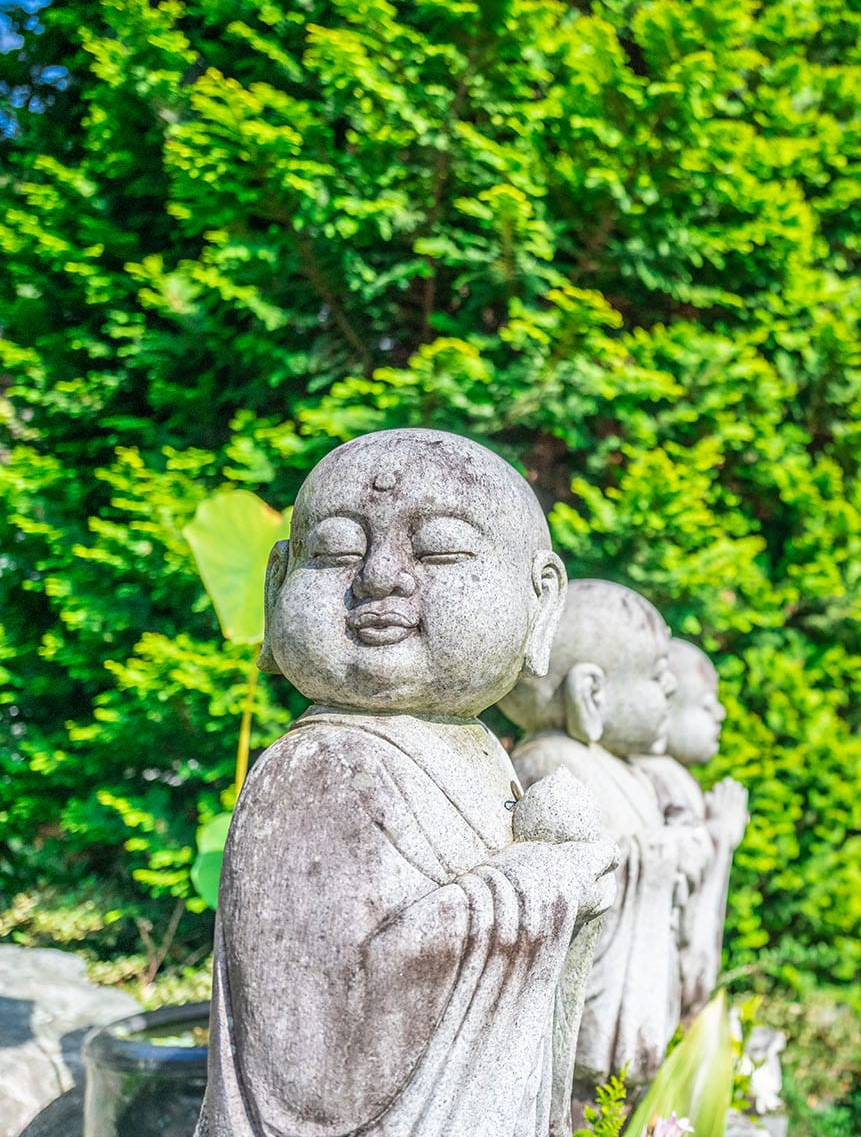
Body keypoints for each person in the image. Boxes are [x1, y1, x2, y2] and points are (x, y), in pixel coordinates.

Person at [198, 429, 618, 1137]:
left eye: (440, 550)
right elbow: (318, 1068)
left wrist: (570, 885)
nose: (381, 576)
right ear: (277, 587)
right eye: (334, 552)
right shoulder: (318, 770)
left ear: (540, 600)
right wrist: (540, 876)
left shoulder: (471, 747)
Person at [503, 581, 705, 1086]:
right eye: (657, 675)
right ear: (589, 694)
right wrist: (661, 857)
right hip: (578, 1046)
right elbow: (589, 885)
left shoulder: (620, 769)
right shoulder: (552, 764)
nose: (671, 690)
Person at [631, 639, 748, 1015]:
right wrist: (720, 835)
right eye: (706, 702)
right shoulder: (658, 783)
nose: (721, 712)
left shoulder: (671, 779)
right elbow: (687, 942)